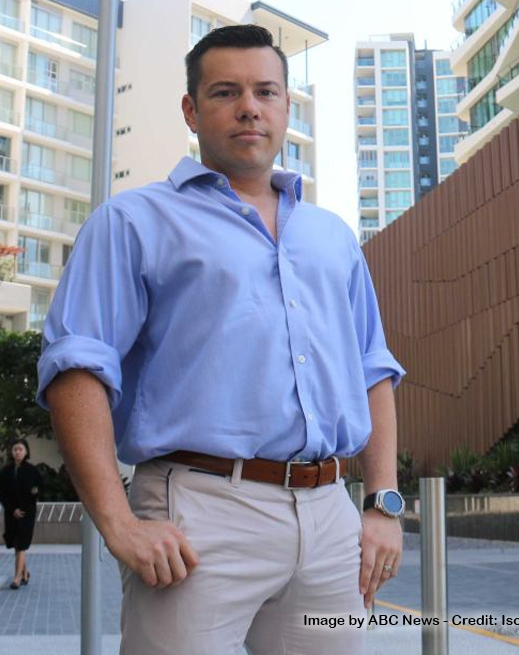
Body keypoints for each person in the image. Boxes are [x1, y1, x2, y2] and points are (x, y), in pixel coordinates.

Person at [36, 25, 405, 655]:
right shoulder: (133, 221)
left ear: (286, 106)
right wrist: (118, 523)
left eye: (266, 91)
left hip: (329, 517)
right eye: (226, 92)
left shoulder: (332, 237)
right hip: (198, 513)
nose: (249, 108)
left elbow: (372, 368)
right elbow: (77, 368)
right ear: (191, 110)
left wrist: (382, 505)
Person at [0, 438, 41, 589]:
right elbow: (1, 493)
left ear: (26, 451)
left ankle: (17, 578)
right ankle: (25, 573)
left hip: (27, 513)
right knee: (16, 544)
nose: (17, 452)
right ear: (11, 452)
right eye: (15, 449)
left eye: (20, 449)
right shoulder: (6, 471)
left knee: (21, 544)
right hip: (11, 513)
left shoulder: (32, 470)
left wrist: (34, 493)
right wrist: (12, 509)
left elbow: (38, 488)